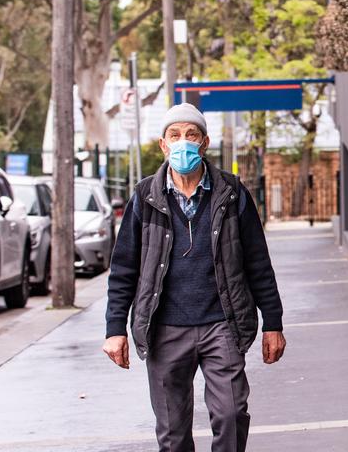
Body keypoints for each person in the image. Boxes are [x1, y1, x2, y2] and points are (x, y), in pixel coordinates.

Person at [103, 103, 285, 452]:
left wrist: (273, 323)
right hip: (164, 329)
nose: (182, 142)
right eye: (175, 135)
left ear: (204, 143)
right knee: (172, 433)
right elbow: (124, 268)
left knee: (232, 414)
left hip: (223, 324)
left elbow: (258, 263)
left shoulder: (232, 194)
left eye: (191, 135)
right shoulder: (145, 197)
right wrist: (115, 330)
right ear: (163, 144)